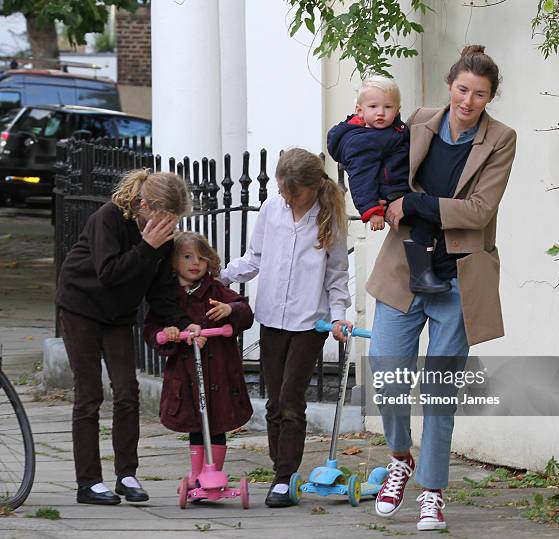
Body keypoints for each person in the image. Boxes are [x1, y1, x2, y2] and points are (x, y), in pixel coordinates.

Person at [368, 45, 517, 530]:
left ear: (490, 97)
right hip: (403, 270)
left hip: (457, 278)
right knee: (387, 372)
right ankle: (399, 458)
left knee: (439, 392)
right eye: (462, 89)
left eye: (480, 94)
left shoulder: (501, 139)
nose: (469, 101)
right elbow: (369, 155)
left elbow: (477, 212)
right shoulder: (417, 121)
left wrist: (412, 204)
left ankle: (432, 491)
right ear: (450, 85)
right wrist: (383, 200)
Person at [57, 169, 199, 506]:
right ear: (143, 205)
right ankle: (88, 482)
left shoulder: (162, 238)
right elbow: (109, 274)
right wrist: (147, 246)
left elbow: (162, 290)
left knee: (127, 392)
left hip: (118, 315)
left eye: (174, 220)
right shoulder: (107, 219)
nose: (169, 226)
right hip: (81, 305)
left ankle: (126, 474)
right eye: (164, 217)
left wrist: (184, 322)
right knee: (89, 393)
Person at [220, 148, 352, 508]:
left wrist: (339, 315)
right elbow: (255, 257)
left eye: (290, 192)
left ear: (311, 188)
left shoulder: (328, 216)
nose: (285, 197)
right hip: (272, 319)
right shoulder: (271, 209)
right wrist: (219, 276)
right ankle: (280, 469)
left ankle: (284, 477)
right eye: (281, 190)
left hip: (310, 322)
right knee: (274, 401)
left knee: (292, 399)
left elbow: (337, 274)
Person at [143, 231, 254, 488]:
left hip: (219, 371)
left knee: (219, 423)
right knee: (196, 422)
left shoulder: (215, 289)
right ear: (173, 262)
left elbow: (245, 312)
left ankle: (214, 473)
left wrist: (230, 309)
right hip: (187, 373)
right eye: (187, 257)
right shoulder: (168, 296)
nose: (196, 263)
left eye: (202, 258)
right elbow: (151, 328)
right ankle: (196, 474)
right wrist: (167, 334)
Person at [327, 75, 449, 294]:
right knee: (425, 218)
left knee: (428, 216)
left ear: (398, 109)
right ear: (359, 110)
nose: (381, 112)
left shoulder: (387, 131)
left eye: (388, 107)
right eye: (373, 106)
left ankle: (424, 269)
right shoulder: (362, 140)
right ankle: (421, 274)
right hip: (389, 193)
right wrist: (373, 210)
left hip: (398, 187)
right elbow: (361, 179)